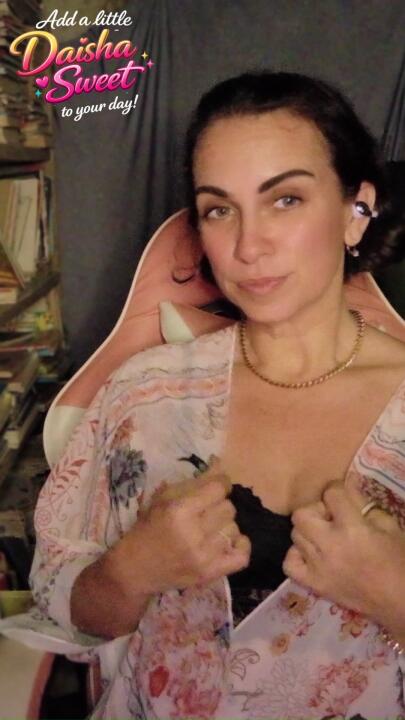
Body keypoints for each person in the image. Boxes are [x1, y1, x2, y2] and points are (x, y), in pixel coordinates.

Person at [7, 72, 405, 719]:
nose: (248, 246)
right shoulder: (144, 394)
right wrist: (131, 570)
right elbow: (63, 600)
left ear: (355, 210)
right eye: (219, 209)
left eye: (285, 200)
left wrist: (395, 593)